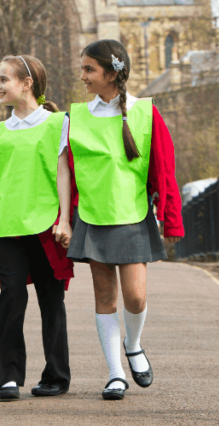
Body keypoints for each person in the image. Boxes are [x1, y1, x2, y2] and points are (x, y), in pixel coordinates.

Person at [57, 40, 183, 401]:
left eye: (89, 70)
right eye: (82, 69)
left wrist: (171, 221)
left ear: (112, 73)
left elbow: (164, 167)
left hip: (132, 215)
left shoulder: (145, 112)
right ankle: (115, 373)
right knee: (104, 295)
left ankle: (133, 343)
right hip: (93, 217)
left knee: (136, 296)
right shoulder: (74, 116)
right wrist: (64, 220)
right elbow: (64, 171)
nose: (82, 76)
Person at [0, 55, 73, 401]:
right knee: (11, 298)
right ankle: (8, 375)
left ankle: (56, 375)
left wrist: (64, 219)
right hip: (8, 227)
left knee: (51, 301)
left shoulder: (56, 124)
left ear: (26, 83)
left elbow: (64, 172)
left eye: (4, 78)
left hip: (45, 226)